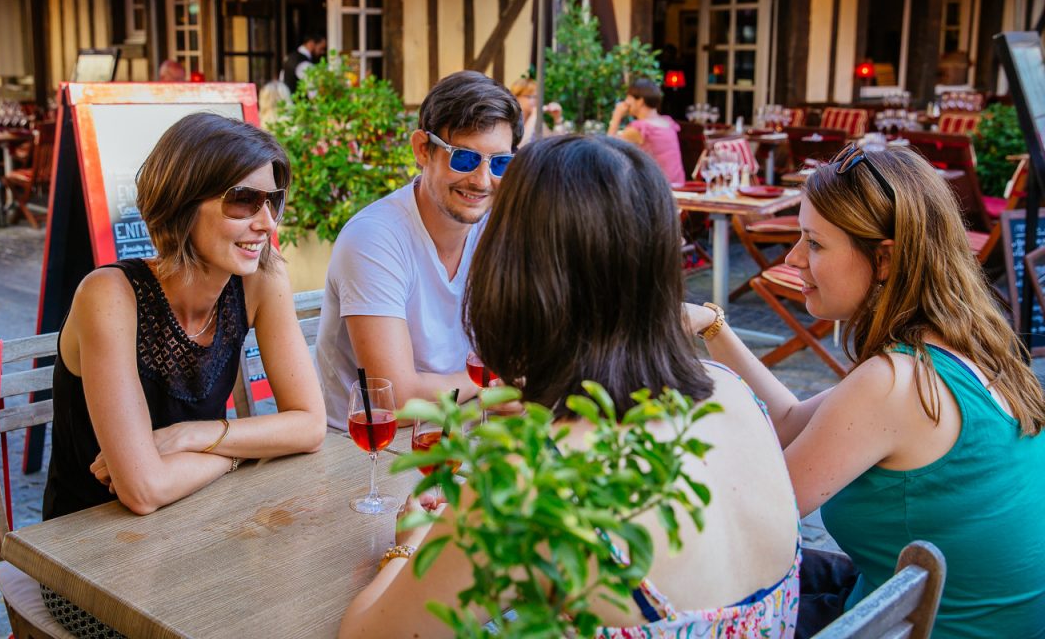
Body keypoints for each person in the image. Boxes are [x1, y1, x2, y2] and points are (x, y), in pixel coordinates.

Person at [338, 135, 800, 638]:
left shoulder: (537, 479)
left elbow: (367, 635)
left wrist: (413, 546)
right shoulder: (732, 392)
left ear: (512, 277)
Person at [685, 144, 1045, 639]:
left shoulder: (894, 383)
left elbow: (749, 520)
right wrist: (712, 327)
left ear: (884, 260)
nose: (792, 258)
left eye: (813, 243)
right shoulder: (967, 345)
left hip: (917, 625)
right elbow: (791, 422)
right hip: (913, 601)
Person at [41, 113, 326, 631]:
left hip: (203, 529)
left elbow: (309, 426)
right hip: (90, 562)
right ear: (181, 204)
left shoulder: (262, 278)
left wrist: (193, 436)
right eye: (244, 201)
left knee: (315, 602)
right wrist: (244, 452)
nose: (266, 224)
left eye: (272, 201)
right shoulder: (109, 296)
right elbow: (144, 490)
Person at [316, 70, 522, 429]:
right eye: (465, 158)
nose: (482, 180)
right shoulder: (374, 238)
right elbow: (396, 398)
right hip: (360, 452)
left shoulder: (494, 229)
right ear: (422, 150)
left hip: (457, 427)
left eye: (500, 163)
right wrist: (488, 385)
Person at [607, 77, 685, 186]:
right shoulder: (667, 123)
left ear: (640, 101)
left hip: (658, 188)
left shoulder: (640, 128)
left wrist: (616, 116)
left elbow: (608, 149)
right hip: (678, 184)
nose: (626, 102)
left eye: (628, 97)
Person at [508, 76, 562, 142]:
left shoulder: (536, 119)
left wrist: (557, 119)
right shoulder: (509, 120)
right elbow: (520, 147)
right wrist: (534, 115)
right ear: (516, 97)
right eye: (531, 96)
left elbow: (553, 144)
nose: (536, 100)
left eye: (537, 97)